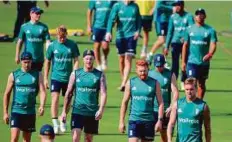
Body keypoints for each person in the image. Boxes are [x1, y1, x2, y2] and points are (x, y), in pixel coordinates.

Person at [60, 49, 107, 142]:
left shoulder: (99, 75)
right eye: (87, 59)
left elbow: (103, 93)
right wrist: (64, 112)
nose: (89, 61)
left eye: (91, 59)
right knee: (75, 138)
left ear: (94, 59)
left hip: (92, 112)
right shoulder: (76, 74)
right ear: (83, 60)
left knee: (88, 139)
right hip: (78, 111)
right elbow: (68, 93)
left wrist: (101, 110)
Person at [3, 52, 46, 142]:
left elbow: (42, 91)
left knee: (26, 140)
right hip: (16, 111)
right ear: (21, 61)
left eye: (29, 62)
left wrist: (42, 105)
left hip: (30, 112)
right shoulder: (14, 75)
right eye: (25, 62)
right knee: (14, 138)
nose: (27, 64)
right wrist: (5, 112)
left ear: (31, 62)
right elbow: (7, 94)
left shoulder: (37, 75)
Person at [44, 25, 80, 134]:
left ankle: (63, 119)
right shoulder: (52, 46)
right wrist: (45, 78)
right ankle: (55, 124)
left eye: (64, 37)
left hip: (69, 78)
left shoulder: (72, 45)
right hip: (56, 77)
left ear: (66, 35)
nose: (62, 39)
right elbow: (47, 62)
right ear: (57, 36)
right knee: (55, 98)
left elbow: (76, 60)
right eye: (60, 37)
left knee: (67, 101)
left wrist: (74, 73)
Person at [119, 59, 164, 142]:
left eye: (145, 71)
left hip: (149, 121)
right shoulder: (131, 83)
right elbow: (124, 102)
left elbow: (161, 103)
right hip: (134, 120)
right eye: (140, 71)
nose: (143, 73)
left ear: (148, 70)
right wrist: (121, 121)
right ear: (136, 70)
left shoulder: (155, 83)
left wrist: (159, 121)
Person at [106, 0, 141, 91]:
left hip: (131, 37)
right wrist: (109, 32)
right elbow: (111, 20)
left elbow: (139, 20)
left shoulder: (135, 6)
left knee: (128, 59)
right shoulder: (117, 6)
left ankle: (124, 82)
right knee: (121, 60)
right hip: (120, 37)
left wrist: (138, 31)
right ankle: (124, 80)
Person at [182, 8, 217, 99]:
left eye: (202, 14)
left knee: (201, 84)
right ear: (195, 17)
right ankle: (190, 102)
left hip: (204, 63)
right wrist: (183, 62)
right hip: (192, 62)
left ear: (205, 16)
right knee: (191, 82)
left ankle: (199, 104)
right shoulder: (189, 29)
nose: (200, 16)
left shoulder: (210, 30)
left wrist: (210, 54)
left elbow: (213, 44)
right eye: (198, 14)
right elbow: (185, 45)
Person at [167, 77, 211, 142]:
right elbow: (171, 124)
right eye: (187, 89)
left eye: (191, 89)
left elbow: (207, 128)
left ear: (196, 89)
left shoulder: (203, 106)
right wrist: (169, 140)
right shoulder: (177, 104)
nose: (189, 92)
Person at [164, 0, 194, 90]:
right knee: (175, 64)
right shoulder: (173, 17)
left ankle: (183, 81)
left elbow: (192, 30)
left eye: (178, 5)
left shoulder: (188, 16)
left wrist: (186, 38)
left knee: (185, 63)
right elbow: (170, 32)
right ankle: (173, 82)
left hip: (186, 44)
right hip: (175, 43)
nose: (176, 7)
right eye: (175, 5)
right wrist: (166, 46)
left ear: (182, 5)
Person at [148, 54, 179, 142]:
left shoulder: (170, 74)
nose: (159, 68)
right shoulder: (150, 74)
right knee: (148, 136)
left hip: (166, 111)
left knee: (165, 135)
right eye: (157, 66)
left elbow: (175, 92)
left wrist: (172, 106)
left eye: (161, 66)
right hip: (152, 110)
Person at [15, 6, 51, 72]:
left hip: (39, 59)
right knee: (27, 78)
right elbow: (20, 42)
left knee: (38, 77)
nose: (39, 15)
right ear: (31, 13)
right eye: (37, 13)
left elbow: (47, 42)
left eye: (40, 13)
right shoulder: (24, 27)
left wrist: (48, 55)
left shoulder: (44, 27)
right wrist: (17, 55)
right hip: (27, 58)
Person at [87, 0, 116, 71]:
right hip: (97, 27)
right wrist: (89, 25)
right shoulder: (93, 1)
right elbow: (89, 11)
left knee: (105, 47)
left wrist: (115, 21)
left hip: (107, 27)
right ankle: (99, 65)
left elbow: (116, 10)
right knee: (96, 46)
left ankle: (105, 57)